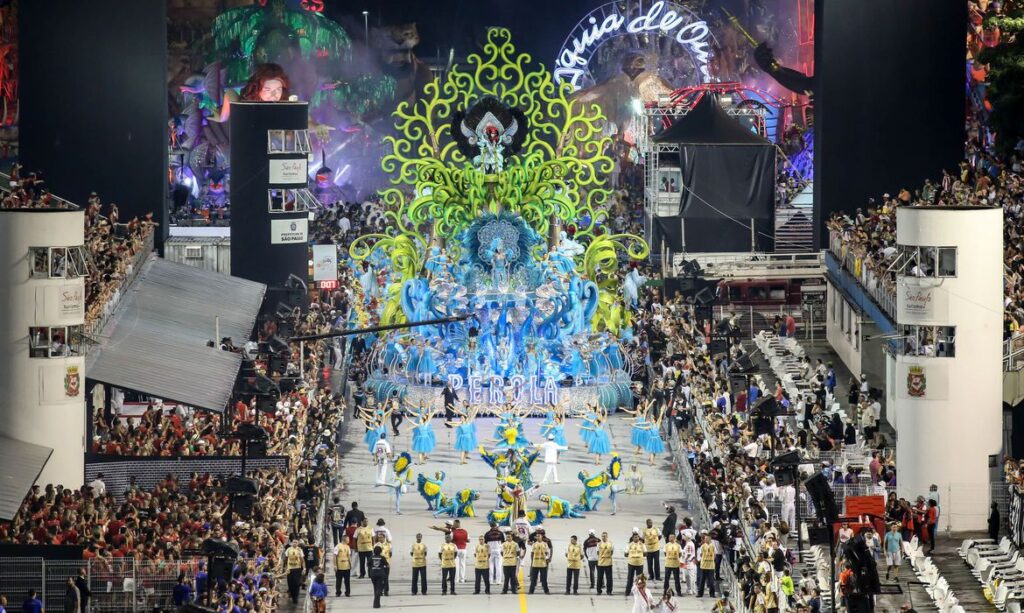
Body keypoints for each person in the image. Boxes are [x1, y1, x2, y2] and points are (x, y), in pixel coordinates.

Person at [285, 540, 305, 604]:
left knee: (297, 584)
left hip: (297, 568)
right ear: (292, 543)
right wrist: (285, 568)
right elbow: (285, 559)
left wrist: (304, 568)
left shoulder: (300, 550)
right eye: (294, 542)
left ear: (298, 543)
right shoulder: (288, 550)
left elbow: (302, 560)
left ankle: (296, 597)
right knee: (290, 584)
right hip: (290, 569)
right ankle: (293, 596)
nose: (295, 543)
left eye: (296, 542)